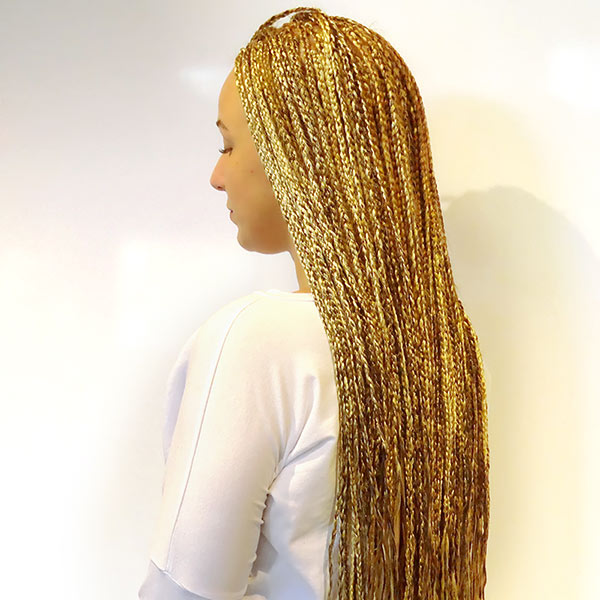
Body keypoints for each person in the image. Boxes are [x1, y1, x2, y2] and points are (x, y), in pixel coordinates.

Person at [139, 7, 490, 599]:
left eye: (228, 145)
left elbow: (183, 592)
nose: (216, 176)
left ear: (298, 155)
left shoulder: (257, 339)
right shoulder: (443, 346)